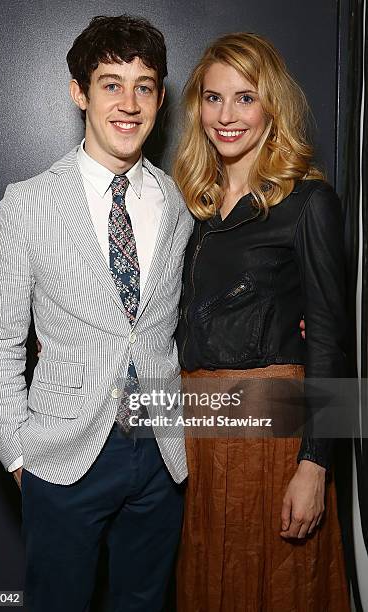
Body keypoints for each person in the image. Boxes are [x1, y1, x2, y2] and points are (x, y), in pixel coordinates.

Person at [0, 15, 193, 612]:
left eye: (144, 86)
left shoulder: (174, 202)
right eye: (110, 84)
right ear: (79, 92)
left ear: (160, 97)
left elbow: (169, 326)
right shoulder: (29, 202)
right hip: (63, 453)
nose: (129, 103)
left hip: (159, 454)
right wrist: (18, 454)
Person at [173, 33, 350, 611]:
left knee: (277, 589)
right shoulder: (189, 207)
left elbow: (331, 339)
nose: (226, 116)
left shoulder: (308, 201)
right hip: (194, 427)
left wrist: (316, 463)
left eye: (245, 98)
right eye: (212, 97)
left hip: (274, 431)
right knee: (205, 586)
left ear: (272, 106)